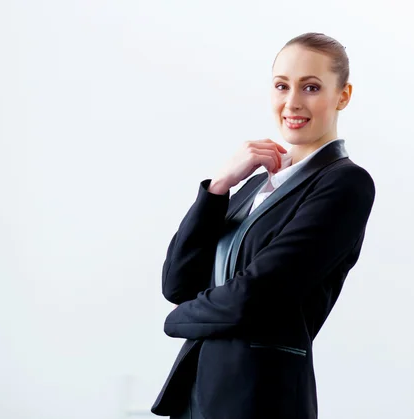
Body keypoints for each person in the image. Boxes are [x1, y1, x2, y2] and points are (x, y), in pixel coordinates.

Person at [150, 32, 376, 419]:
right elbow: (179, 283)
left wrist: (177, 321)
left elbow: (256, 296)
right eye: (281, 86)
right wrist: (218, 188)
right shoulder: (255, 183)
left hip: (260, 398)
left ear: (343, 95)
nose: (292, 102)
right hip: (196, 394)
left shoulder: (345, 184)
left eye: (311, 87)